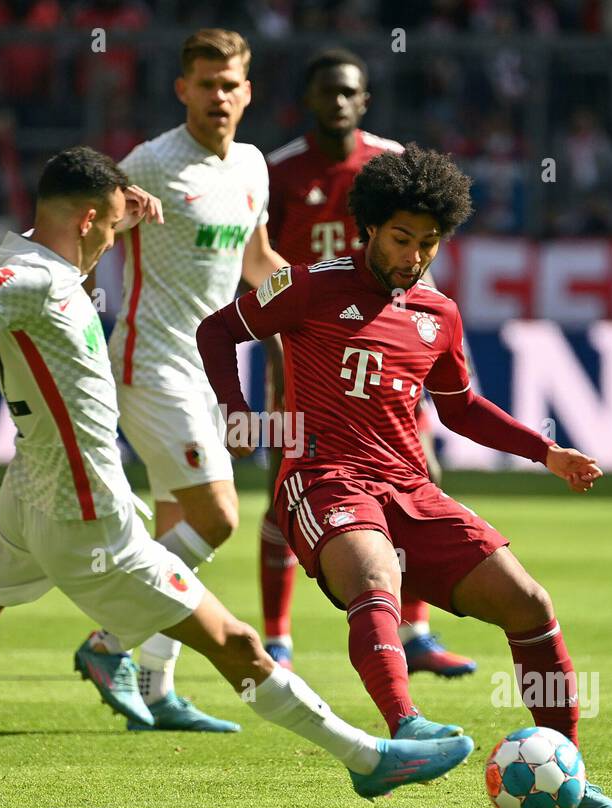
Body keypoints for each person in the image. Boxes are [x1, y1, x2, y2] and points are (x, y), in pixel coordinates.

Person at [0, 147, 473, 808]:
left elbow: (75, 237)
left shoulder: (42, 256)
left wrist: (128, 204)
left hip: (26, 502)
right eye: (111, 225)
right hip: (89, 521)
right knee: (235, 643)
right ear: (84, 220)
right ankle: (368, 760)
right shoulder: (31, 282)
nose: (119, 237)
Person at [196, 143, 612, 808]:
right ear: (368, 226)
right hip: (323, 480)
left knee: (530, 605)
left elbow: (460, 408)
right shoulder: (310, 285)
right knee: (374, 581)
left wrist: (545, 452)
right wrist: (238, 415)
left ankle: (566, 770)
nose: (413, 255)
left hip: (410, 488)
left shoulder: (438, 314)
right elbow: (217, 331)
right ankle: (405, 729)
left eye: (429, 243)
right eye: (402, 238)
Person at [85, 28, 291, 732]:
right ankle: (107, 640)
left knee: (179, 529)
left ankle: (157, 685)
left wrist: (317, 299)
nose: (219, 97)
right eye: (205, 84)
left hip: (207, 372)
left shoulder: (255, 167)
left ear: (248, 90)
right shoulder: (152, 162)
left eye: (230, 84)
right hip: (149, 363)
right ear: (183, 90)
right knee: (218, 517)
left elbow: (257, 261)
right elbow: (84, 228)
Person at [260, 47, 475, 677]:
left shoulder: (391, 163)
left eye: (349, 92)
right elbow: (257, 261)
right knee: (285, 490)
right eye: (327, 92)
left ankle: (416, 630)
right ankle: (278, 638)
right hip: (302, 349)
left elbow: (421, 256)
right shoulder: (279, 172)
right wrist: (276, 348)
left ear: (364, 100)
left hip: (385, 347)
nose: (339, 102)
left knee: (420, 478)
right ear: (309, 100)